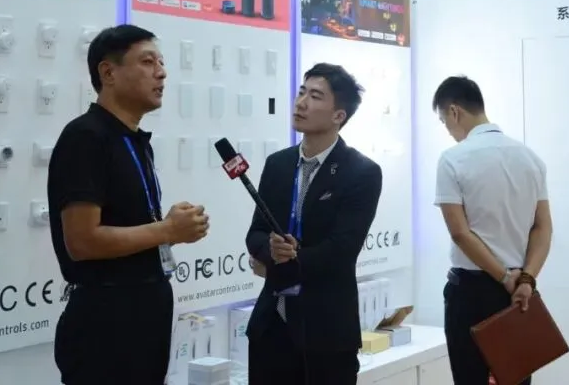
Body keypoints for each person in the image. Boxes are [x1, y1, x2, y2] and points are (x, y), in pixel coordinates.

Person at [48, 25, 210, 385]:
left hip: (144, 312)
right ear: (108, 73)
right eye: (148, 62)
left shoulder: (134, 140)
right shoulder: (86, 137)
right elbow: (82, 241)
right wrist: (168, 229)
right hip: (107, 321)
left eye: (161, 63)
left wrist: (171, 229)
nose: (161, 73)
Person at [244, 63, 383, 385]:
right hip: (272, 326)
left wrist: (283, 261)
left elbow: (342, 250)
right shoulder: (278, 164)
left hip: (327, 332)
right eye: (301, 92)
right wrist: (269, 250)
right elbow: (256, 232)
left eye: (316, 96)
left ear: (339, 115)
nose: (301, 103)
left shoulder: (361, 172)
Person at [432, 76, 551, 385]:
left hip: (472, 293)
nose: (449, 130)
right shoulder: (530, 158)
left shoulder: (452, 159)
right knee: (516, 378)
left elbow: (460, 233)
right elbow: (543, 227)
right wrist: (526, 279)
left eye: (445, 122)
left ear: (454, 112)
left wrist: (504, 277)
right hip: (520, 293)